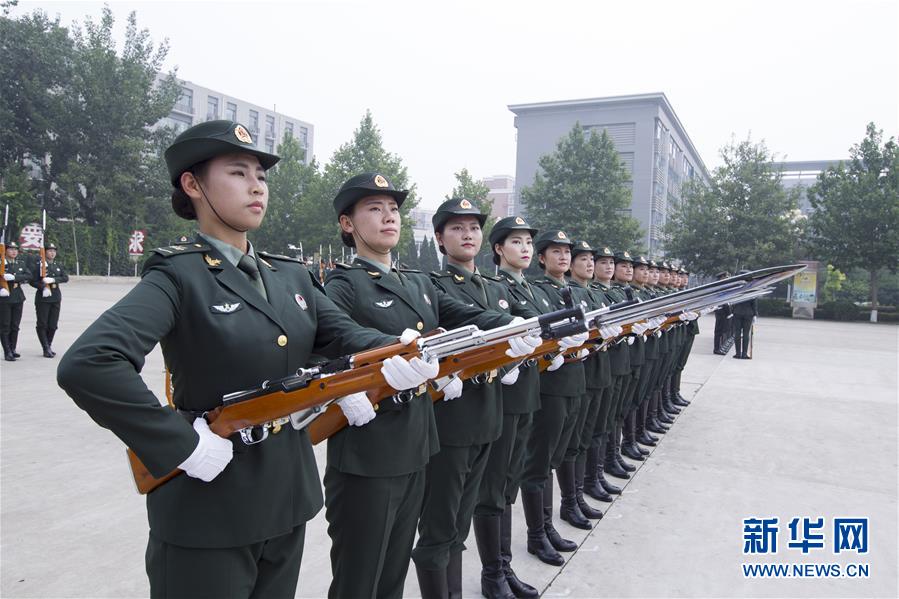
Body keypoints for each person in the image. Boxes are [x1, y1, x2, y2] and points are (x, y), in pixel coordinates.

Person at [56, 120, 431, 599]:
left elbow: (343, 334)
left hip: (286, 500)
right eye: (238, 172)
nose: (257, 185)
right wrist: (180, 445)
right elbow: (90, 363)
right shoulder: (178, 276)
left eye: (261, 175)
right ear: (192, 185)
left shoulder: (290, 277)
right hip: (209, 505)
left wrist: (400, 350)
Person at [322, 173, 539, 599]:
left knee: (393, 574)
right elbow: (332, 338)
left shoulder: (418, 282)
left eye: (394, 210)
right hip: (369, 451)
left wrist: (519, 325)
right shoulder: (343, 283)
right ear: (348, 224)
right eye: (374, 209)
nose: (389, 217)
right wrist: (391, 351)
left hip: (419, 443)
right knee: (359, 578)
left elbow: (465, 316)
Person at [416, 198, 515, 599]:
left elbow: (509, 346)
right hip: (451, 422)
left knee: (458, 527)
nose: (468, 234)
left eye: (473, 227)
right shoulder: (431, 287)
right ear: (439, 239)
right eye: (456, 228)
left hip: (488, 415)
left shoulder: (494, 288)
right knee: (440, 528)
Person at [473, 215, 545, 599]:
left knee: (508, 485)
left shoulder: (530, 289)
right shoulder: (492, 287)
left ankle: (504, 566)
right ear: (499, 249)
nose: (526, 248)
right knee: (494, 487)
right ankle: (492, 574)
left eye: (529, 242)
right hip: (503, 395)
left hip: (527, 393)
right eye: (516, 242)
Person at [519, 230, 588, 567]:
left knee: (556, 457)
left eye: (566, 252)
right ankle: (537, 534)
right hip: (549, 383)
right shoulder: (537, 291)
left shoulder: (572, 292)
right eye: (555, 252)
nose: (563, 257)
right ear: (542, 258)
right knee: (539, 463)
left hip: (575, 377)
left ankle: (548, 526)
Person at [31, 242, 68, 358]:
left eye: (54, 251)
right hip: (43, 298)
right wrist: (42, 287)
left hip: (55, 297)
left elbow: (65, 277)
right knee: (43, 324)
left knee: (53, 325)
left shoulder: (58, 264)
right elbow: (32, 281)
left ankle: (49, 345)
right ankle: (45, 347)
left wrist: (53, 280)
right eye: (50, 251)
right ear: (45, 252)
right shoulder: (39, 265)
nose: (52, 253)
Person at [1, 241, 31, 361]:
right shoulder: (1, 263)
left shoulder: (21, 263)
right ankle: (7, 351)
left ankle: (13, 349)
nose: (13, 251)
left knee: (15, 325)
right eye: (11, 249)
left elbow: (28, 276)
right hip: (4, 297)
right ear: (5, 250)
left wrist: (14, 278)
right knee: (5, 326)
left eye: (15, 249)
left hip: (18, 297)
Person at [731, 272, 758, 359]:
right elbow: (754, 303)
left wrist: (733, 310)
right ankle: (744, 353)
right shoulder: (752, 288)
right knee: (746, 334)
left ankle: (738, 353)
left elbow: (733, 301)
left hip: (737, 313)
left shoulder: (737, 288)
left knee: (737, 333)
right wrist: (755, 314)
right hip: (748, 313)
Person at [713, 271, 732, 354]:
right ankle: (717, 349)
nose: (726, 279)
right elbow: (722, 300)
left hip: (725, 312)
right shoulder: (719, 288)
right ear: (721, 278)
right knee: (719, 331)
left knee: (725, 330)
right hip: (721, 311)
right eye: (725, 278)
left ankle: (721, 347)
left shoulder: (725, 287)